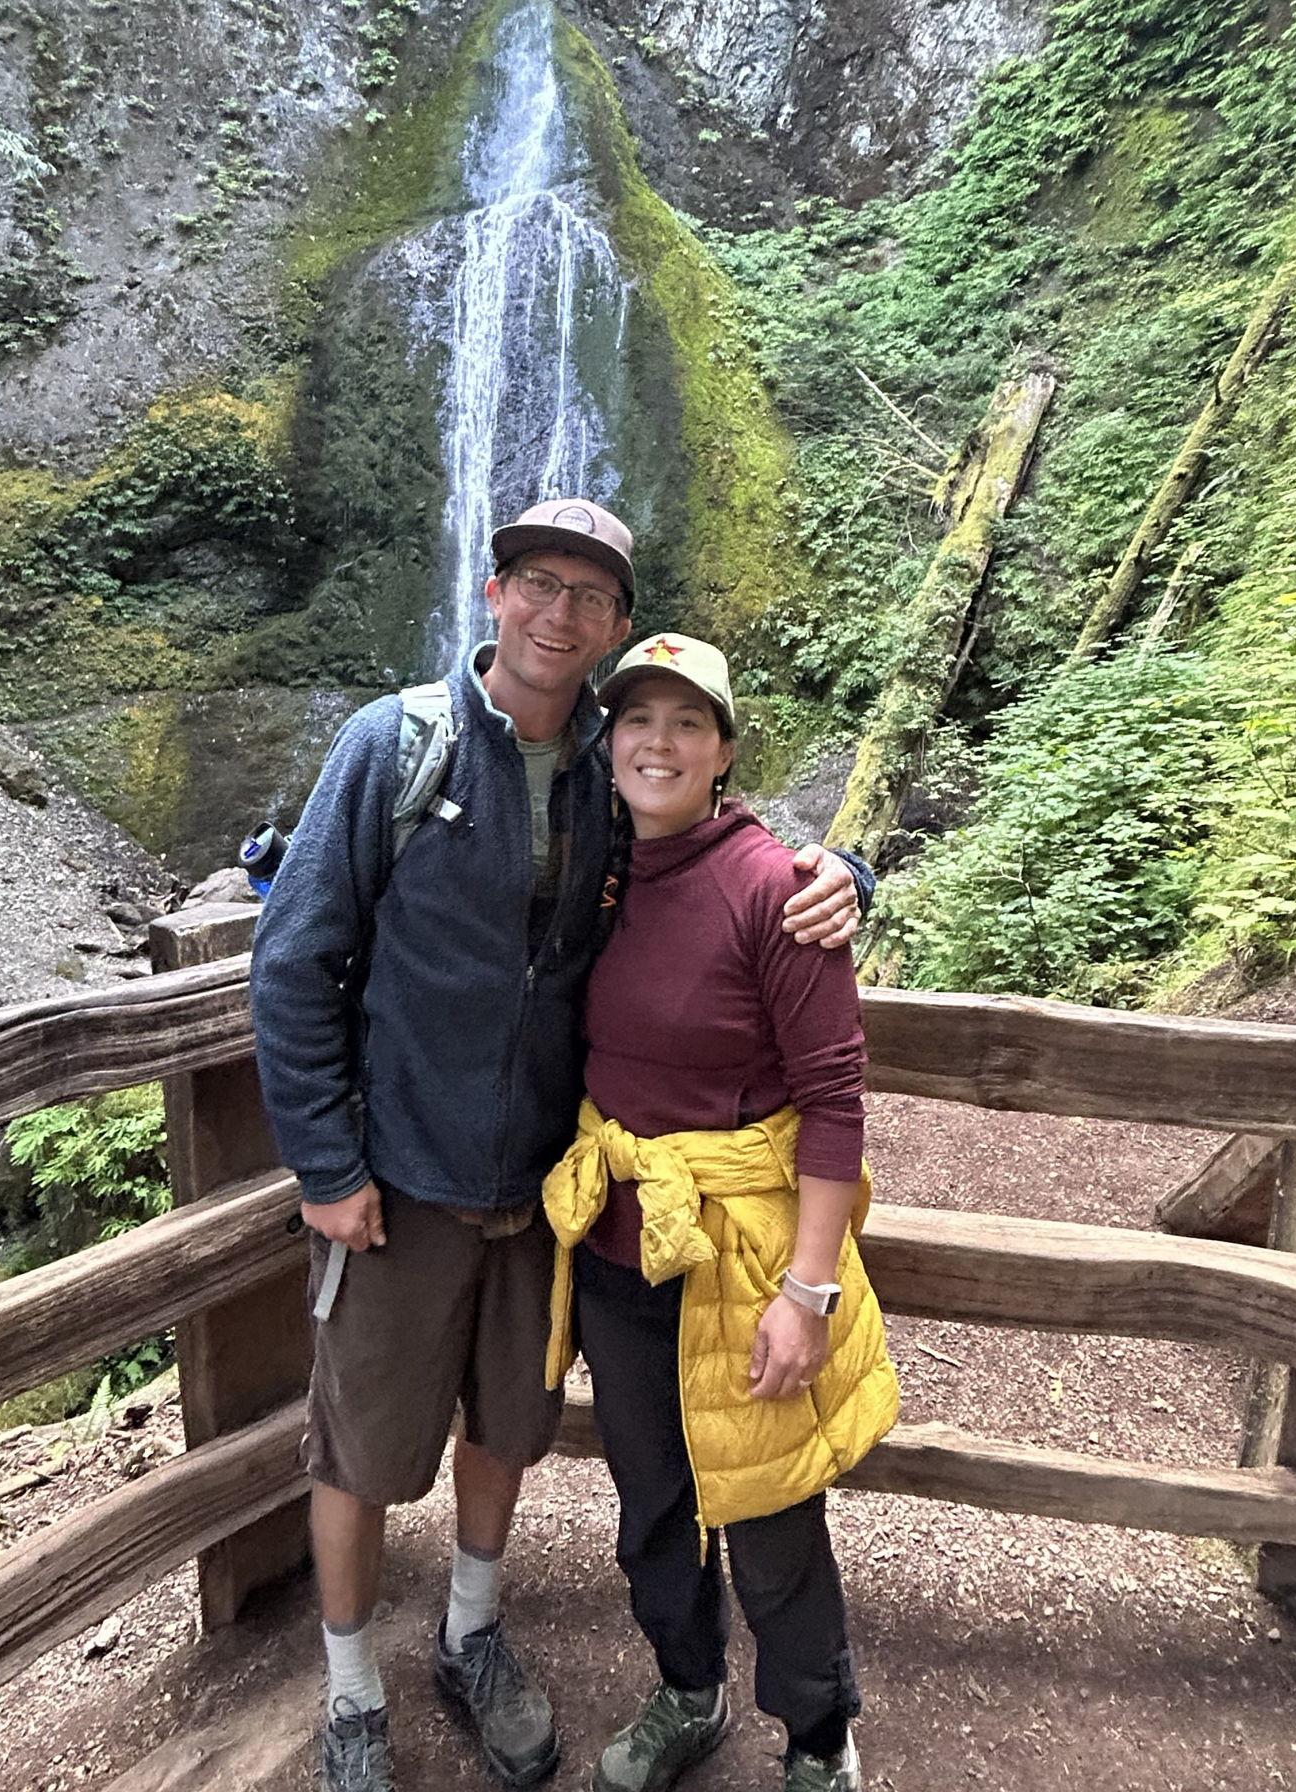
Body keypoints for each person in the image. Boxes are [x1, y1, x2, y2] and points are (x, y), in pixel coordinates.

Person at [249, 500, 872, 1792]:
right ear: (495, 593)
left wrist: (852, 872)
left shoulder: (629, 792)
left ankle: (503, 1644)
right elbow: (295, 959)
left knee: (543, 1440)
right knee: (377, 1452)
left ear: (618, 628)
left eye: (589, 598)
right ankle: (359, 1690)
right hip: (417, 1188)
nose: (559, 615)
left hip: (559, 1200)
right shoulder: (398, 748)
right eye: (539, 583)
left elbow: (741, 885)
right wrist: (325, 1164)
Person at [541, 631, 899, 1792]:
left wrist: (809, 1290)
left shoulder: (778, 892)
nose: (657, 741)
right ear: (607, 740)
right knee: (652, 1501)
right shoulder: (590, 869)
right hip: (617, 1243)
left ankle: (815, 1739)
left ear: (724, 750)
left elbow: (834, 1100)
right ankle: (684, 1690)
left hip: (742, 1254)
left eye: (685, 722)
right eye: (637, 718)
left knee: (770, 1513)